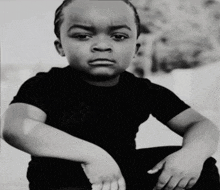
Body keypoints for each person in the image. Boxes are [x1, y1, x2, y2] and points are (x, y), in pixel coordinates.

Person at [1, 0, 220, 190]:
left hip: (123, 174)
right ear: (60, 47)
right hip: (62, 179)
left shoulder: (142, 90)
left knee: (201, 167)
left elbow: (200, 125)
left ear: (135, 48)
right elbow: (16, 127)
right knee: (59, 172)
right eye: (83, 36)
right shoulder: (46, 85)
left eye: (118, 36)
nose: (102, 45)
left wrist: (191, 155)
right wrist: (93, 156)